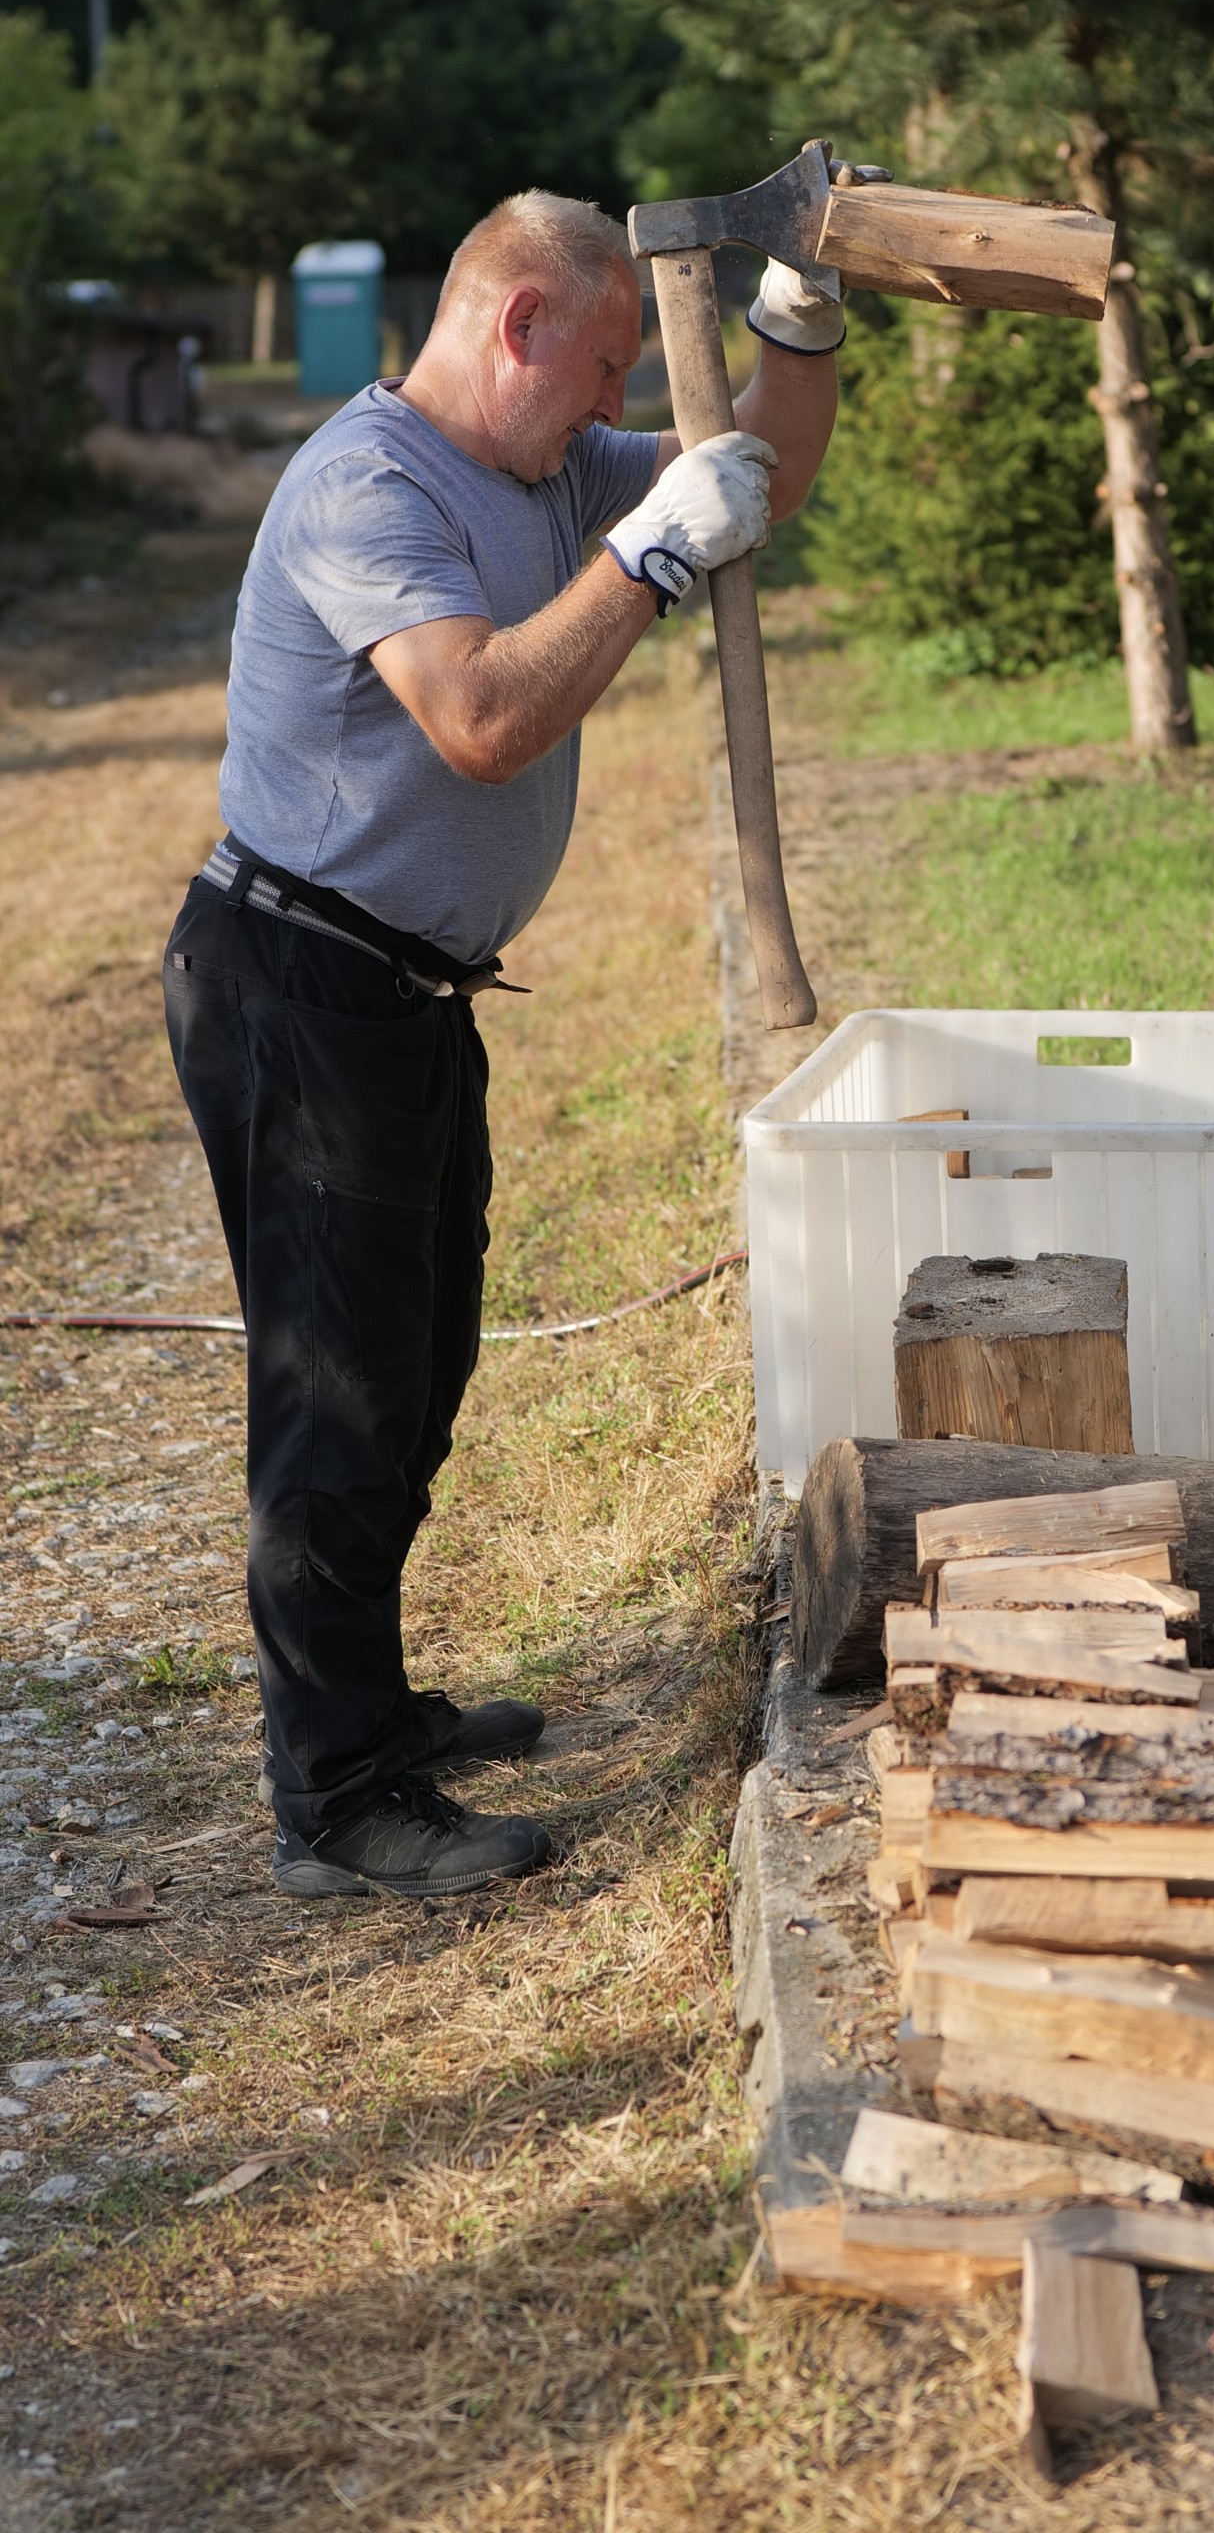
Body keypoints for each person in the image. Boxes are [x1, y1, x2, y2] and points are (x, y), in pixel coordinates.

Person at [162, 191, 842, 1901]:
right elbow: (478, 716)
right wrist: (645, 558)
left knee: (420, 1366)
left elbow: (756, 474)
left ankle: (370, 1703)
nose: (621, 406)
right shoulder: (368, 486)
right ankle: (336, 1798)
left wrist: (800, 315)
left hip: (399, 993)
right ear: (519, 325)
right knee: (336, 1394)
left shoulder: (544, 462)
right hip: (297, 986)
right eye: (607, 366)